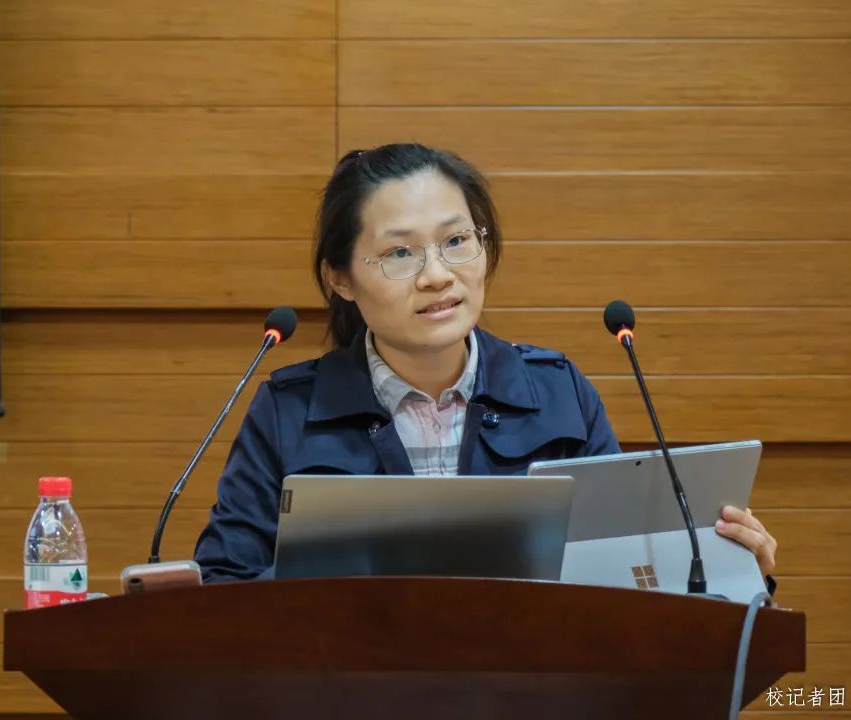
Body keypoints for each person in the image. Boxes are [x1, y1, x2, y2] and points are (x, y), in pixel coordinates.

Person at [194, 143, 777, 586]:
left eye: (456, 241)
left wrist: (726, 565)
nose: (437, 275)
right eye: (400, 252)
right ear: (340, 278)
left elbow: (622, 575)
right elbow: (222, 588)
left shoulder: (559, 394)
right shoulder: (288, 411)